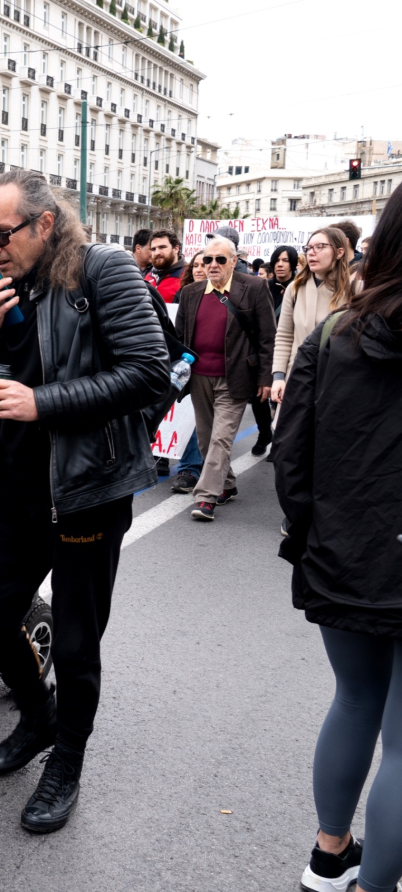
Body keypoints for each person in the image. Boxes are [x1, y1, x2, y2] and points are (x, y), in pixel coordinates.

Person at [0, 169, 169, 833]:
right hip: (12, 490)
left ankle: (66, 761)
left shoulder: (101, 270)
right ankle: (39, 717)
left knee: (77, 646)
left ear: (44, 224)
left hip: (83, 492)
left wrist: (41, 403)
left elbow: (147, 372)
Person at [274, 186, 402, 892]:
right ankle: (376, 884)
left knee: (354, 697)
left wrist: (310, 530)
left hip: (343, 545)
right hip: (360, 543)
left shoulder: (336, 333)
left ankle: (329, 856)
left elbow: (292, 451)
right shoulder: (331, 330)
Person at [173, 236, 276, 521]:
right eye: (208, 259)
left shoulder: (254, 287)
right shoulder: (191, 292)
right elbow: (179, 337)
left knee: (221, 439)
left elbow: (268, 336)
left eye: (220, 259)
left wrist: (266, 377)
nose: (213, 264)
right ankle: (227, 485)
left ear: (234, 260)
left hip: (236, 377)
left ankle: (206, 497)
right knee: (206, 441)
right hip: (199, 378)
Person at [272, 229, 353, 408]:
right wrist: (278, 376)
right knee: (290, 433)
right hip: (297, 378)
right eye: (308, 247)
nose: (311, 252)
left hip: (339, 381)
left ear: (340, 252)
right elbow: (284, 336)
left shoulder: (355, 288)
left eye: (320, 246)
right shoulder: (295, 288)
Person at [144, 228, 187, 303]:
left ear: (176, 249)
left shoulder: (188, 275)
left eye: (162, 247)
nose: (157, 252)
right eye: (153, 249)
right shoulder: (148, 276)